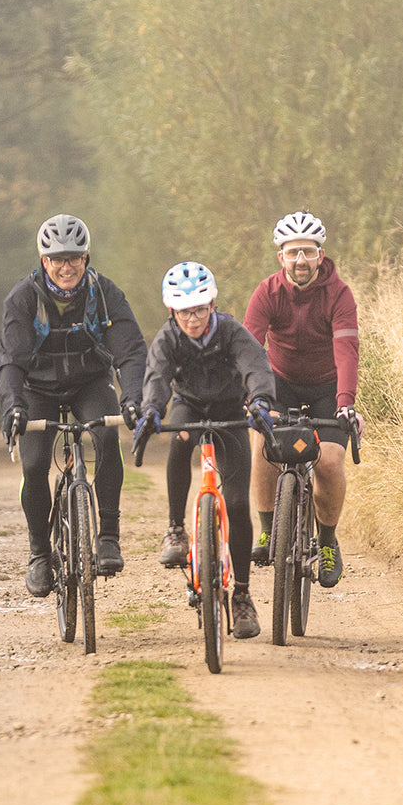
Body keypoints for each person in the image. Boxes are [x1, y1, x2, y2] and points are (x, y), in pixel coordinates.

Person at [0, 213, 147, 598]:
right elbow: (10, 358)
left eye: (74, 257)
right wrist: (13, 405)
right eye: (57, 259)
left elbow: (130, 351)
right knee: (34, 465)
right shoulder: (23, 298)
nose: (66, 267)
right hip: (36, 388)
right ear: (44, 261)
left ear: (86, 258)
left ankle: (108, 535)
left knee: (107, 438)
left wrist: (133, 398)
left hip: (88, 383)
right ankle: (39, 554)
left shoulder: (105, 293)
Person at [135, 262, 276, 640]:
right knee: (179, 442)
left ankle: (242, 595)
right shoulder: (168, 338)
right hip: (190, 405)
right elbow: (157, 376)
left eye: (199, 309)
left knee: (236, 503)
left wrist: (260, 400)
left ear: (212, 305)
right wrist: (151, 409)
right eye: (184, 311)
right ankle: (176, 530)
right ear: (172, 312)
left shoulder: (231, 331)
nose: (192, 319)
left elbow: (256, 366)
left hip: (231, 411)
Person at [243, 210, 360, 587]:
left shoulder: (339, 295)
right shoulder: (267, 293)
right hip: (280, 382)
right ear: (281, 257)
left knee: (328, 460)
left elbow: (347, 350)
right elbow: (249, 349)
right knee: (262, 440)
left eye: (308, 252)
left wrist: (345, 402)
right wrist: (253, 397)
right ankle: (266, 528)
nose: (301, 260)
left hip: (328, 387)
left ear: (320, 255)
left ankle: (327, 541)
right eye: (293, 252)